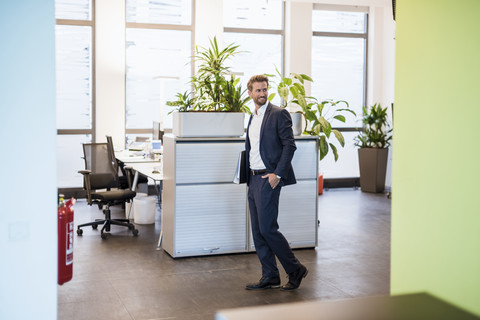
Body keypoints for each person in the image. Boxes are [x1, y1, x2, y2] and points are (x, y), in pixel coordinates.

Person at [244, 74, 308, 291]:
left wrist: (277, 175)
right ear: (250, 93)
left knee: (268, 229)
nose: (262, 94)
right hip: (252, 178)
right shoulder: (252, 117)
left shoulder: (279, 114)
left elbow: (290, 146)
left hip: (268, 178)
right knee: (258, 231)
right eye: (258, 90)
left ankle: (295, 269)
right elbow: (254, 148)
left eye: (265, 89)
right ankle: (270, 275)